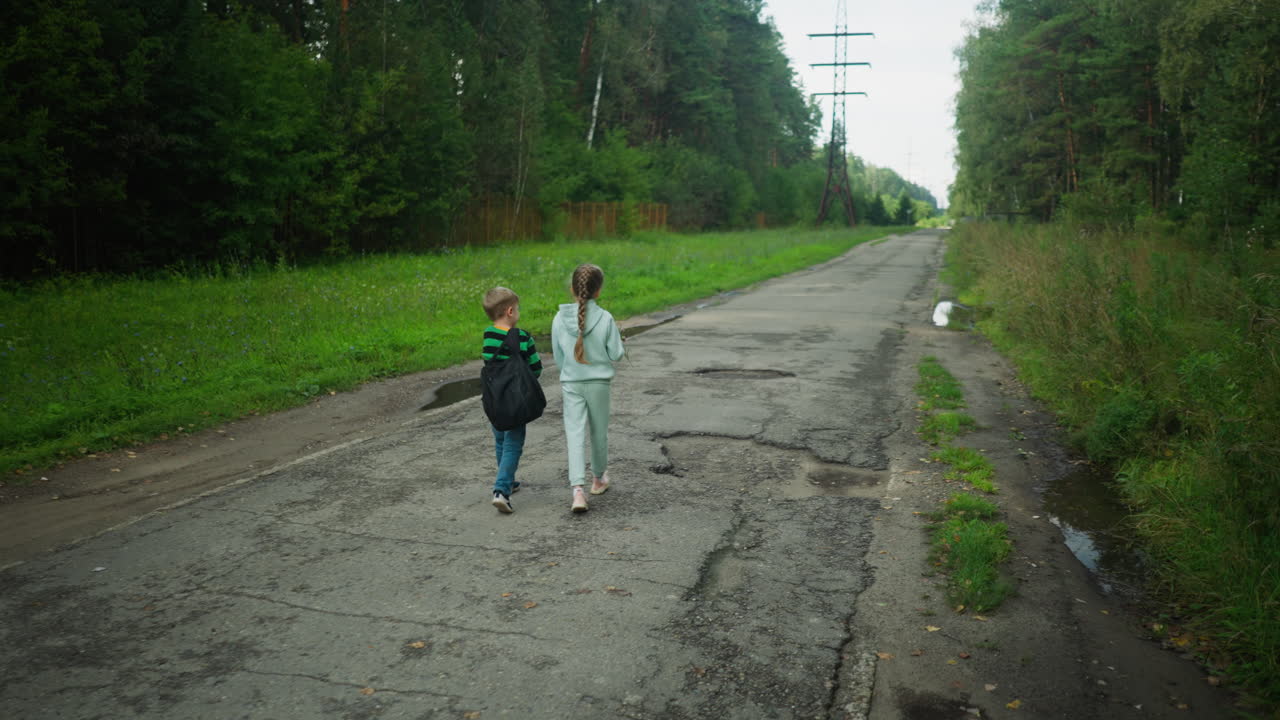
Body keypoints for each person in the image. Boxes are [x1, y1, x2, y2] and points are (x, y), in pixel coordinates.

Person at [550, 264, 625, 513]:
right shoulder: (605, 318)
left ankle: (578, 492)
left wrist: (571, 371)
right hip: (599, 384)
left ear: (572, 289)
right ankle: (598, 479)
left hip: (571, 382)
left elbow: (559, 357)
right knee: (598, 432)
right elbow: (616, 353)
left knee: (574, 433)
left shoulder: (559, 318)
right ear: (598, 291)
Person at [481, 287, 542, 513]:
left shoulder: (488, 335)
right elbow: (535, 368)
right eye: (517, 309)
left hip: (494, 399)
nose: (518, 312)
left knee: (500, 441)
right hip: (515, 401)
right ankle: (501, 490)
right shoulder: (523, 337)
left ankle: (509, 480)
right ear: (509, 311)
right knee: (513, 444)